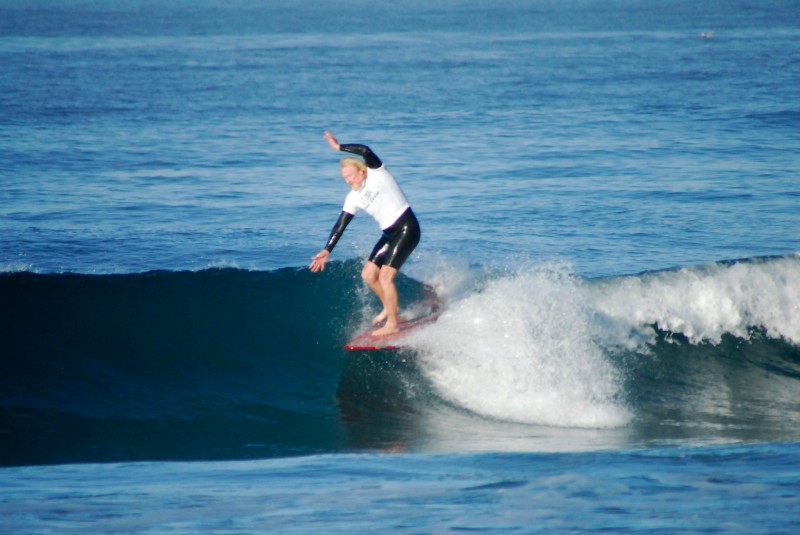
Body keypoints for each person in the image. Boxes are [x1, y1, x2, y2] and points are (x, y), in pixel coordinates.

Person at [310, 131, 421, 336]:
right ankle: (391, 308)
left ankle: (392, 323)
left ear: (362, 171)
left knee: (386, 277)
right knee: (368, 275)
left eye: (350, 175)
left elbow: (365, 150)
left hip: (407, 227)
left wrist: (339, 147)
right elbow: (340, 224)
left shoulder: (378, 173)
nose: (348, 180)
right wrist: (327, 249)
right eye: (344, 178)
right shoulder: (353, 197)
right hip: (389, 234)